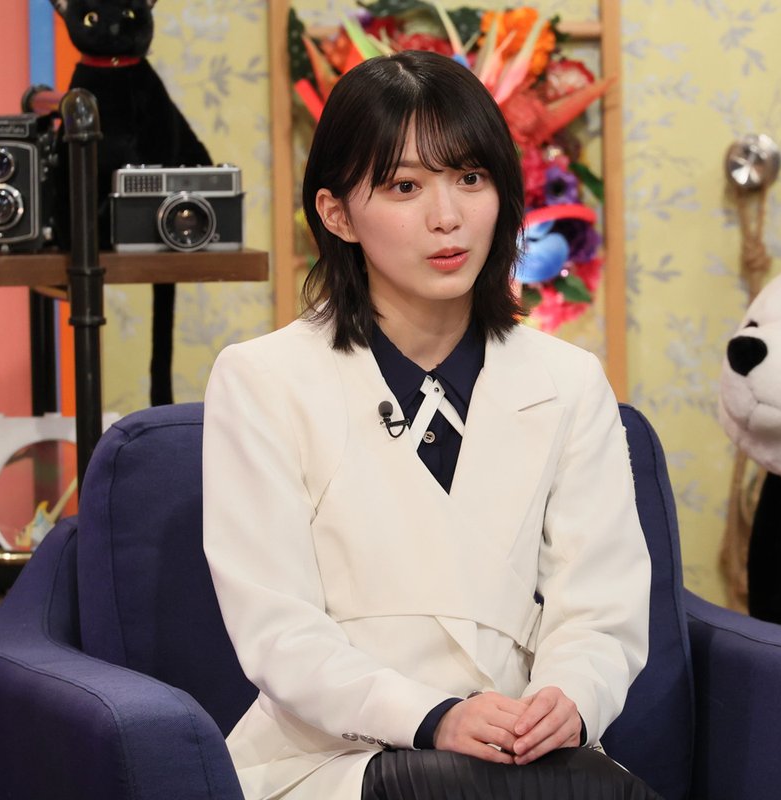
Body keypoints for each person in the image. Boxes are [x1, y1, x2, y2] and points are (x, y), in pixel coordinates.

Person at [203, 50, 658, 800]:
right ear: (336, 213)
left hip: (528, 762)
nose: (447, 217)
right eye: (405, 186)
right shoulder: (262, 380)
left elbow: (600, 607)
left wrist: (570, 700)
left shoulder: (570, 382)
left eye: (470, 178)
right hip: (336, 761)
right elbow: (279, 633)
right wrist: (433, 718)